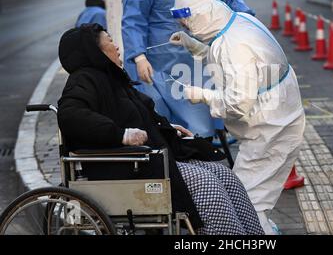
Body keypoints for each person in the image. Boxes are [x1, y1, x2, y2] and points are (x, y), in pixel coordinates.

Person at [57, 24, 264, 235]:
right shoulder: (83, 80)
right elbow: (70, 116)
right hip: (127, 166)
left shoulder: (113, 78)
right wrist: (121, 135)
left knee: (225, 175)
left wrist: (167, 129)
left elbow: (140, 115)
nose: (117, 47)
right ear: (95, 51)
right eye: (109, 41)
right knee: (207, 185)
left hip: (149, 160)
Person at [169, 0, 306, 235]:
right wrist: (191, 44)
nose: (185, 25)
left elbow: (237, 103)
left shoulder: (235, 45)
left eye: (187, 21)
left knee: (247, 205)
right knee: (248, 199)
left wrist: (202, 96)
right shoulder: (237, 23)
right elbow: (217, 51)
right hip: (271, 125)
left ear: (202, 15)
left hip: (270, 131)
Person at [122, 0, 255, 138]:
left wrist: (247, 22)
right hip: (155, 65)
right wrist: (139, 57)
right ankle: (175, 165)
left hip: (194, 62)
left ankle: (197, 163)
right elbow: (133, 19)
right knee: (161, 123)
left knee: (200, 126)